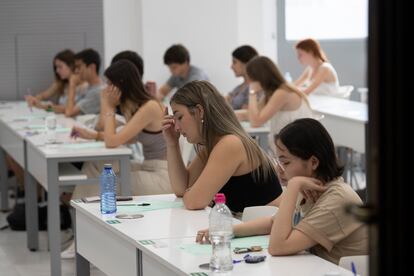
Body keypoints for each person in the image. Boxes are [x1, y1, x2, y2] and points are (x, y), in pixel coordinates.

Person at [196, 118, 368, 264]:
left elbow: (278, 247)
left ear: (313, 162)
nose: (280, 170)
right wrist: (226, 230)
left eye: (286, 163)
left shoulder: (336, 198)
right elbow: (273, 223)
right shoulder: (310, 186)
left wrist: (292, 188)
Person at [62, 60, 171, 259]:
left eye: (109, 84)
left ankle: (85, 235)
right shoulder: (138, 106)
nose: (106, 90)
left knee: (106, 180)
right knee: (98, 168)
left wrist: (108, 105)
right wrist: (93, 135)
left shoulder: (150, 107)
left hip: (163, 176)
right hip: (151, 168)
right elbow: (124, 138)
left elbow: (112, 141)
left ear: (121, 84)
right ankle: (83, 230)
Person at [162, 80, 282, 215]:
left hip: (268, 231)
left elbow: (194, 201)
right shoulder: (214, 145)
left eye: (179, 117)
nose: (176, 127)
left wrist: (196, 193)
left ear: (200, 111)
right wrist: (172, 144)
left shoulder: (230, 144)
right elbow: (181, 189)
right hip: (248, 226)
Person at [237, 56, 313, 152]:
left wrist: (252, 92)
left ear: (259, 77)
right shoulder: (272, 92)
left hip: (296, 148)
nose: (249, 83)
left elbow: (256, 122)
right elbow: (252, 115)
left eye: (251, 79)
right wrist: (229, 115)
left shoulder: (282, 92)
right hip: (286, 145)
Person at [65, 48, 105, 117]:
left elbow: (69, 112)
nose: (76, 71)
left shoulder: (97, 91)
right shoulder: (87, 87)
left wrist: (72, 84)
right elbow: (67, 106)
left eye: (79, 67)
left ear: (92, 67)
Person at [225, 45, 258, 110]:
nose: (231, 67)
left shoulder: (257, 88)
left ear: (246, 63)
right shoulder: (238, 88)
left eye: (234, 62)